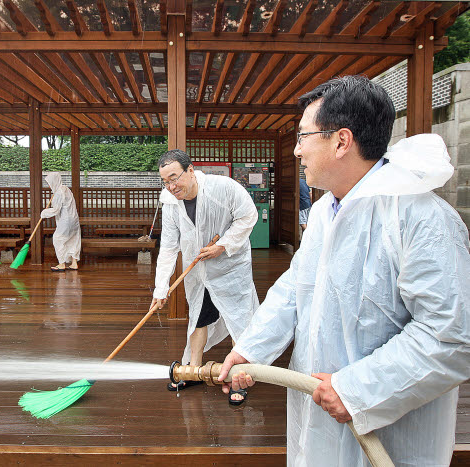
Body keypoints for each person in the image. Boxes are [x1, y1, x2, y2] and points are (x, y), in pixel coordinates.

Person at [219, 76, 470, 466]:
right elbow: (295, 289)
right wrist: (252, 348)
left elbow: (451, 336)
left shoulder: (421, 218)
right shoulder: (324, 211)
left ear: (341, 141)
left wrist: (357, 390)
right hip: (318, 413)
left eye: (303, 137)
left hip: (386, 430)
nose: (297, 150)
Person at [152, 149, 259, 404]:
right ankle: (193, 370)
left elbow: (248, 216)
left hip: (230, 267)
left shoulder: (223, 188)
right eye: (165, 181)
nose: (171, 186)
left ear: (190, 170)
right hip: (198, 268)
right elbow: (168, 246)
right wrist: (160, 288)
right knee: (199, 317)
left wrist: (223, 245)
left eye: (175, 178)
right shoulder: (169, 202)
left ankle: (238, 377)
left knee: (238, 320)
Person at [40, 173, 81, 271]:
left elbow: (56, 210)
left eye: (50, 183)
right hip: (74, 219)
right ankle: (74, 263)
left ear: (54, 181)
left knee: (58, 238)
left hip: (65, 220)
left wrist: (44, 213)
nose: (49, 186)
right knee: (74, 239)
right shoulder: (66, 189)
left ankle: (61, 264)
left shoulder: (58, 193)